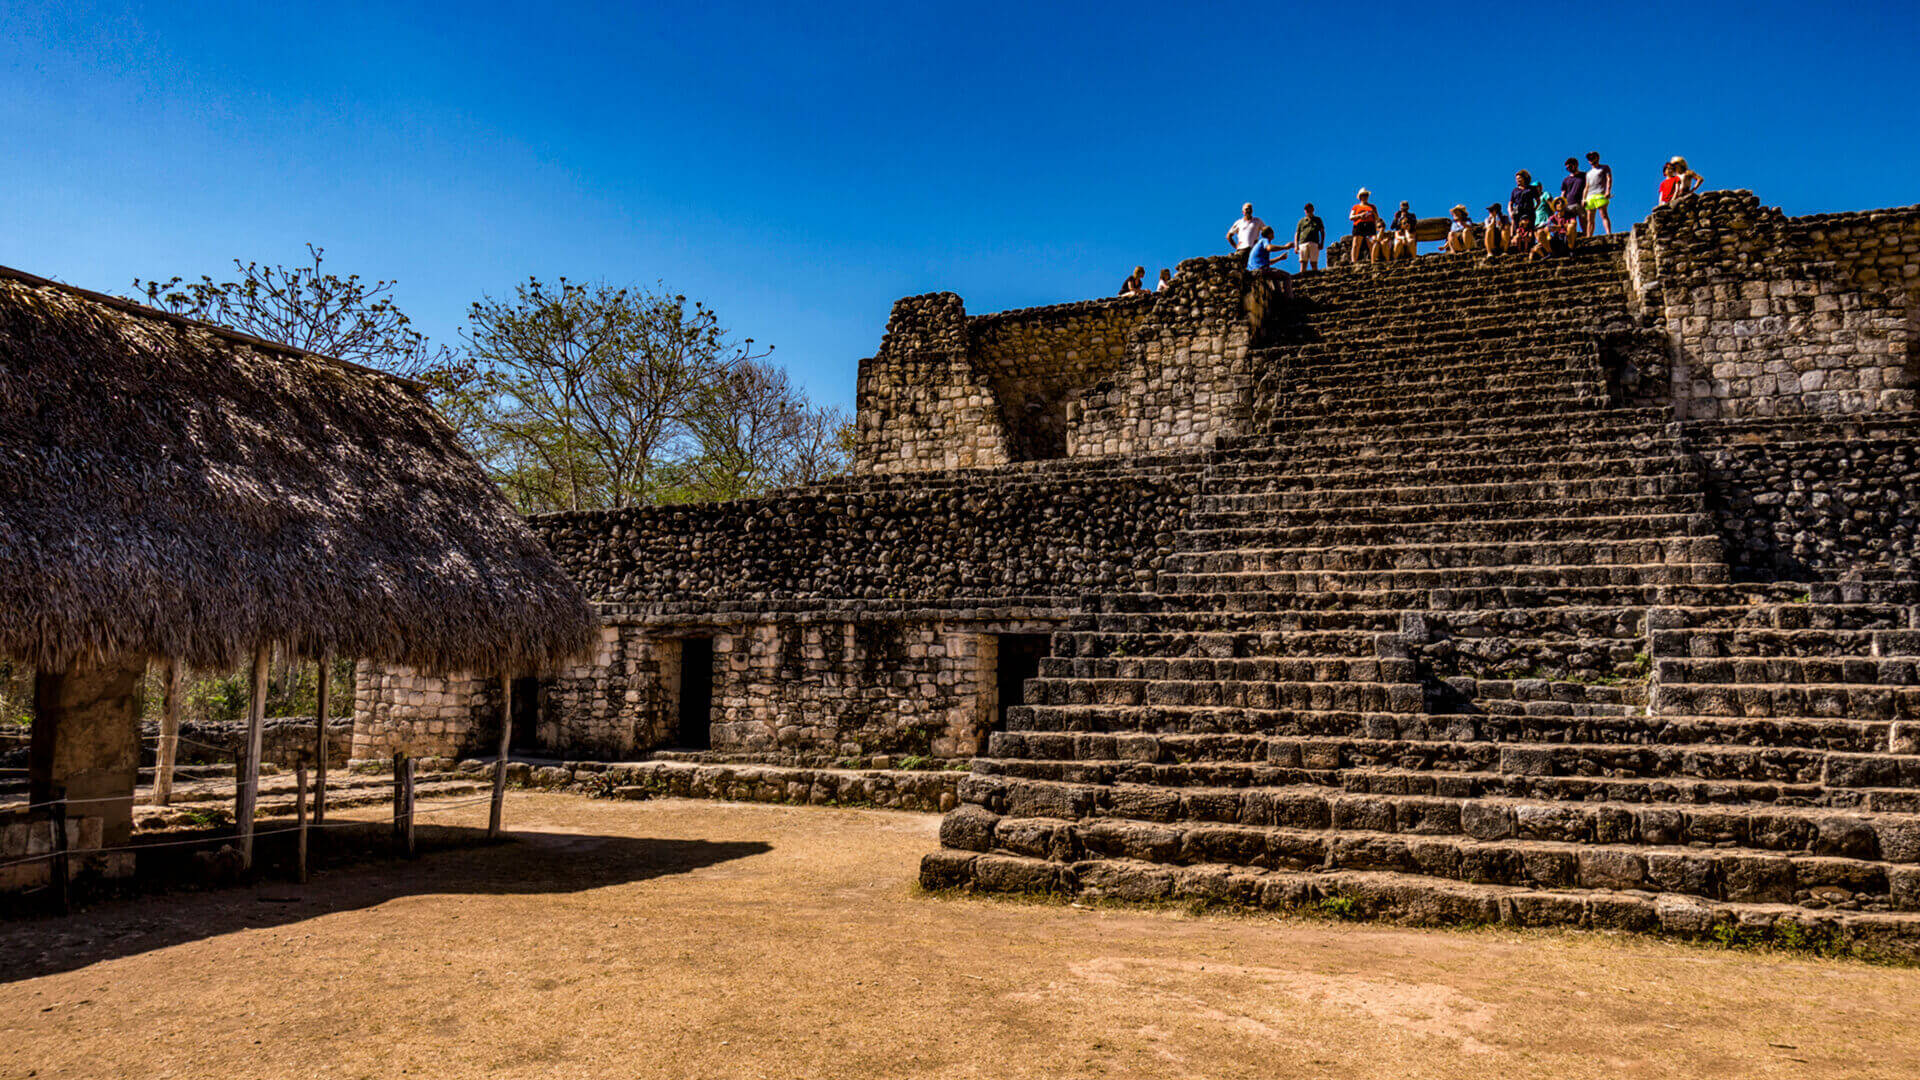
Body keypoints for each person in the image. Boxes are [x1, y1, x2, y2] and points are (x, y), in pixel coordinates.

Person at [1246, 225, 1296, 296]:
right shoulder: (1264, 240)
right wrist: (1285, 247)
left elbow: (1266, 262)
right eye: (1272, 233)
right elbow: (1269, 248)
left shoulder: (1259, 244)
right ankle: (1289, 300)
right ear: (1269, 234)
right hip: (1261, 270)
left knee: (1275, 278)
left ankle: (1278, 297)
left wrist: (1280, 258)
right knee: (1286, 276)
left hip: (1255, 270)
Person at [1583, 151, 1614, 235]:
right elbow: (1586, 187)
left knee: (1603, 214)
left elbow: (1609, 179)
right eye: (1589, 158)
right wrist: (1583, 199)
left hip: (1600, 193)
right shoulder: (1588, 173)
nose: (1591, 160)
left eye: (1593, 157)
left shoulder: (1604, 167)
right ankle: (1589, 236)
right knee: (1590, 219)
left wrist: (1608, 191)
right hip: (1590, 196)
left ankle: (1608, 233)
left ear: (1597, 158)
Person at [1349, 189, 1382, 264]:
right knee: (1356, 244)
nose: (1365, 197)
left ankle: (1373, 260)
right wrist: (1360, 215)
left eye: (1366, 195)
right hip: (1359, 225)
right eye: (1363, 195)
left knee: (1372, 243)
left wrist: (1373, 213)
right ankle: (1354, 261)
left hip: (1370, 225)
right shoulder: (1356, 207)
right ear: (1360, 197)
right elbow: (1351, 217)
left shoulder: (1372, 206)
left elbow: (1377, 218)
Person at [1559, 158, 1587, 238]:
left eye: (1570, 166)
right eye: (1567, 167)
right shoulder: (1566, 180)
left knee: (1583, 221)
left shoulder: (1584, 176)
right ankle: (1572, 238)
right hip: (1568, 204)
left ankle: (1587, 237)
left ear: (1576, 165)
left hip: (1580, 202)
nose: (1569, 168)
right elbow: (1563, 193)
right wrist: (1561, 204)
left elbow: (1588, 188)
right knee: (1571, 222)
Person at [1294, 203, 1326, 271]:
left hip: (1314, 242)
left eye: (1309, 209)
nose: (1308, 211)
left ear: (1313, 209)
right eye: (1306, 209)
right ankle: (1302, 278)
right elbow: (1297, 234)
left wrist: (1322, 243)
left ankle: (1315, 278)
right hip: (1303, 243)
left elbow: (1322, 232)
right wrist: (1296, 245)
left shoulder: (1318, 220)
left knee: (1313, 262)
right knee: (1303, 262)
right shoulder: (1301, 221)